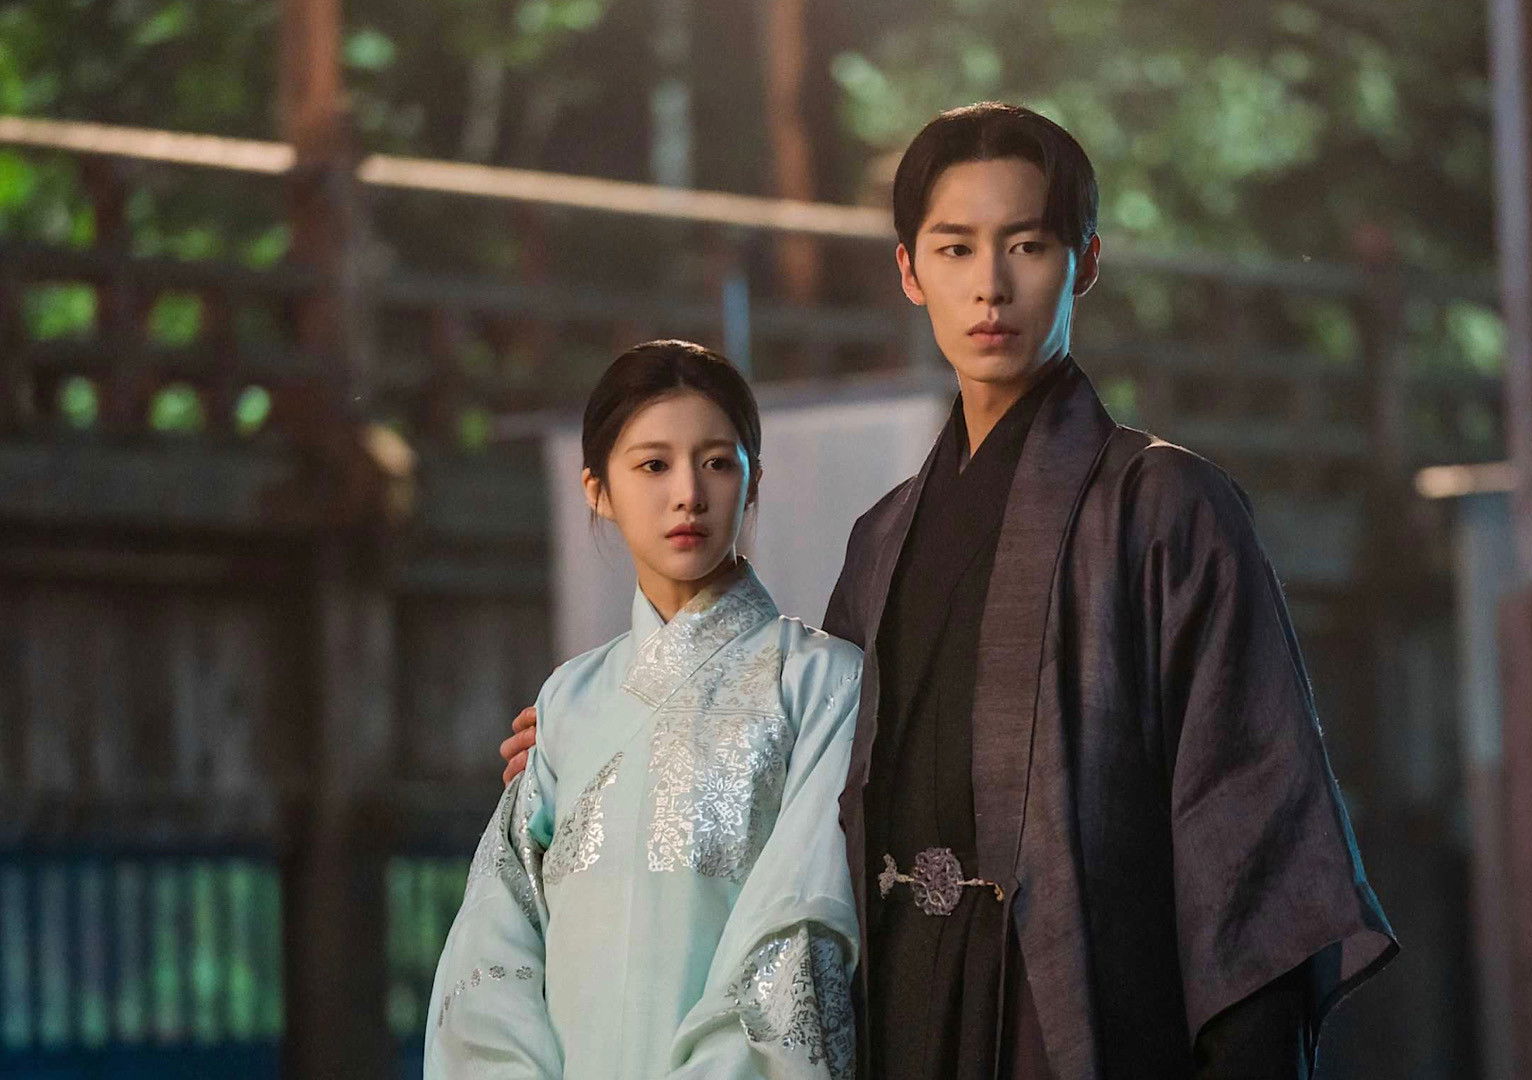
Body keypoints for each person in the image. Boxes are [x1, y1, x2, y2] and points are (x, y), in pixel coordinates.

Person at [505, 104, 1396, 1078]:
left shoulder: (1166, 509)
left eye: (1028, 245)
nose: (990, 286)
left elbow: (1251, 845)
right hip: (900, 1012)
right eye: (956, 248)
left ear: (1085, 264)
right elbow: (799, 772)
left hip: (1070, 1019)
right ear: (909, 270)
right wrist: (610, 733)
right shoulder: (884, 537)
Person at [433, 340, 862, 1079]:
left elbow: (798, 930)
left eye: (717, 462)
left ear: (753, 482)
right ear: (597, 489)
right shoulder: (568, 699)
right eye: (653, 465)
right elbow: (496, 936)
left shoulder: (822, 682)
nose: (688, 494)